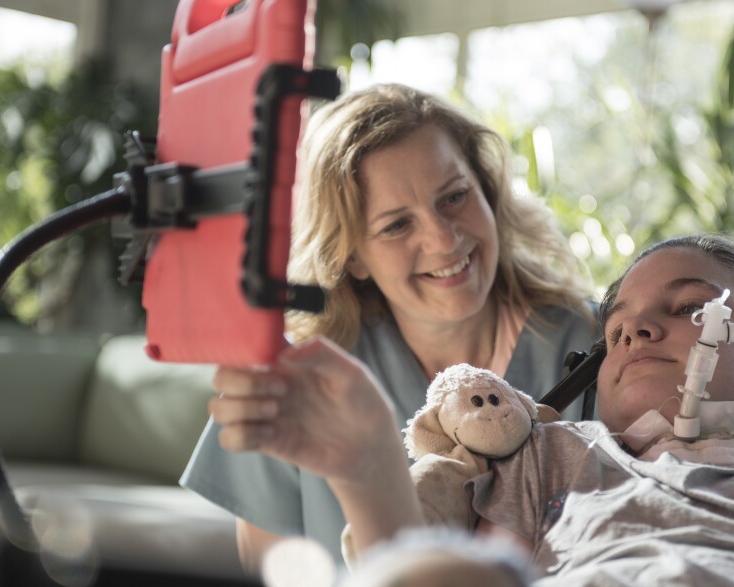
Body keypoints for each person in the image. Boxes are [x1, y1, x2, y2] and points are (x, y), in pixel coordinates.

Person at [207, 234, 734, 586]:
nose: (633, 328)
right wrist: (369, 459)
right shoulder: (551, 455)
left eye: (687, 305)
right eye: (618, 321)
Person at [181, 83, 599, 571]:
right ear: (352, 255)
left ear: (486, 190)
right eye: (397, 225)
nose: (444, 239)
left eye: (456, 196)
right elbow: (271, 572)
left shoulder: (602, 343)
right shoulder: (295, 384)